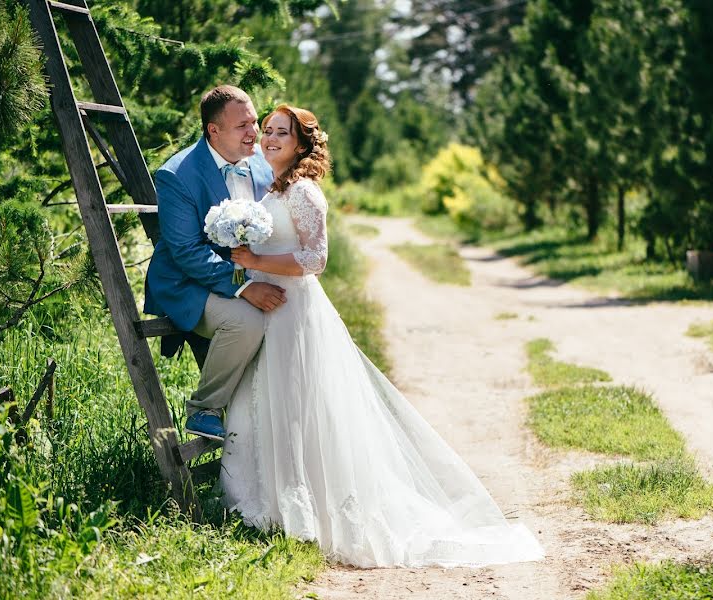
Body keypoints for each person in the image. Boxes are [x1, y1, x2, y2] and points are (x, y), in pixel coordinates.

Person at [220, 104, 544, 568]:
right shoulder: (274, 187)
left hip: (294, 308)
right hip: (269, 305)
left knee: (295, 407)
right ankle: (261, 508)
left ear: (301, 143)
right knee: (265, 401)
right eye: (267, 130)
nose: (269, 138)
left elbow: (316, 261)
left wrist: (252, 263)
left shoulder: (304, 192)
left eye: (280, 132)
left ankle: (304, 514)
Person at [144, 85, 286, 441]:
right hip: (187, 284)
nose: (254, 131)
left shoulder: (261, 165)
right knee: (247, 322)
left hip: (247, 273)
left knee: (295, 318)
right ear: (214, 130)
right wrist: (245, 286)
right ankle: (204, 408)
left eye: (255, 122)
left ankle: (269, 429)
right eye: (243, 125)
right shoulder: (177, 174)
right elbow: (187, 252)